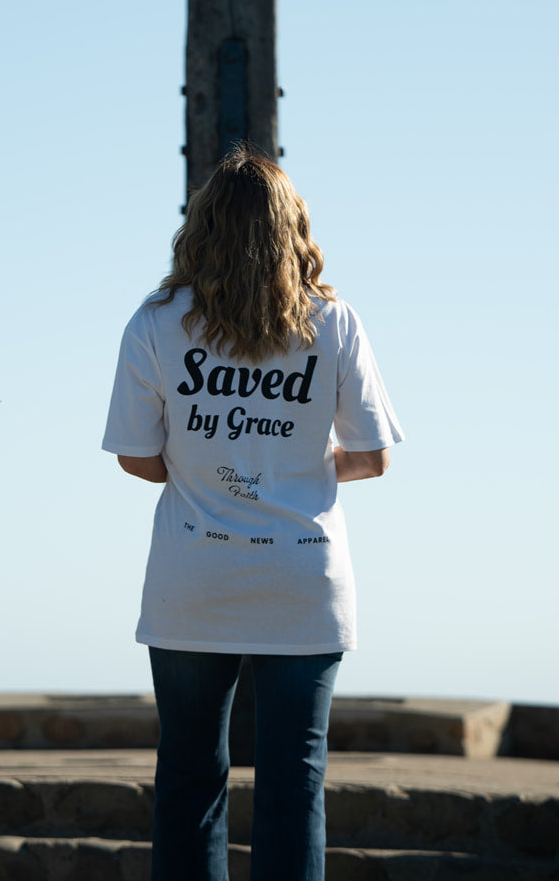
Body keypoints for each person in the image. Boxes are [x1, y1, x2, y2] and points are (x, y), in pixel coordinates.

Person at [102, 146, 404, 881]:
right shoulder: (333, 324)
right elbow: (372, 455)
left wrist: (212, 472)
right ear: (291, 229)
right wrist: (297, 470)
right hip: (302, 576)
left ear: (200, 227)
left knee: (188, 780)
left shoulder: (155, 324)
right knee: (292, 786)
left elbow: (136, 458)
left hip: (194, 574)